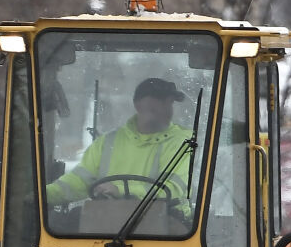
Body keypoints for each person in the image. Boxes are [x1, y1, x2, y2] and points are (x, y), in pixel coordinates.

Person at [46, 76, 192, 207]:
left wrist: (120, 190)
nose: (167, 110)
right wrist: (41, 197)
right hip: (111, 221)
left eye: (169, 103)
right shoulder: (108, 142)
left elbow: (174, 189)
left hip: (169, 225)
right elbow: (78, 182)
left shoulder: (182, 143)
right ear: (139, 105)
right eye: (160, 103)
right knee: (65, 223)